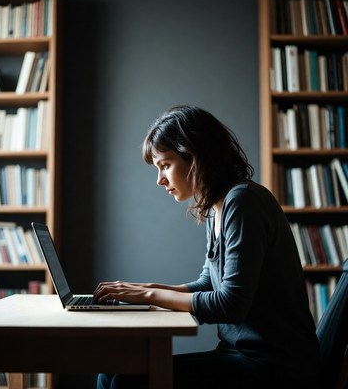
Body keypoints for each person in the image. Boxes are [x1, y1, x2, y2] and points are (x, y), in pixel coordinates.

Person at [94, 105, 320, 389]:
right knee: (110, 374)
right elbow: (207, 284)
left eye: (165, 165)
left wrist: (149, 294)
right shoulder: (217, 208)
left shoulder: (243, 202)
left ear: (195, 156)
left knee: (126, 383)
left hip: (274, 367)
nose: (159, 179)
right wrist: (141, 290)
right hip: (240, 355)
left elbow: (230, 304)